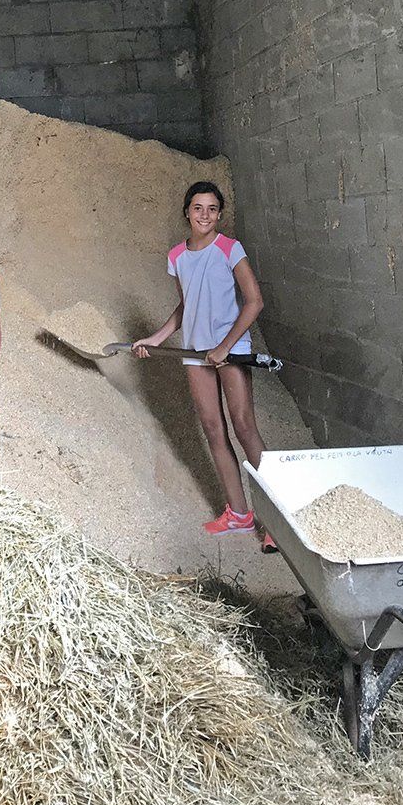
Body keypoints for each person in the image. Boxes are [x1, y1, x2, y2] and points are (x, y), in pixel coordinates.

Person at [133, 181, 276, 553]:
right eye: (198, 208)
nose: (205, 215)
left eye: (212, 209)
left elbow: (255, 302)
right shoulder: (177, 256)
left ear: (220, 214)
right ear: (187, 211)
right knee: (214, 430)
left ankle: (280, 522)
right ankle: (239, 514)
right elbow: (187, 305)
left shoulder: (229, 248)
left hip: (231, 349)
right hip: (196, 353)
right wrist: (157, 338)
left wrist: (225, 346)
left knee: (244, 427)